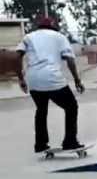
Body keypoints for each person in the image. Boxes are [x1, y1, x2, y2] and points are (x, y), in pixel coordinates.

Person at [16, 17, 85, 153]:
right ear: (53, 27)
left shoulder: (29, 37)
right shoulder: (59, 37)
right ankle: (70, 141)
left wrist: (21, 79)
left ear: (39, 27)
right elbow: (70, 59)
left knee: (41, 109)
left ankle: (40, 144)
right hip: (51, 78)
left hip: (33, 79)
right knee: (71, 106)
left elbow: (16, 56)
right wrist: (77, 80)